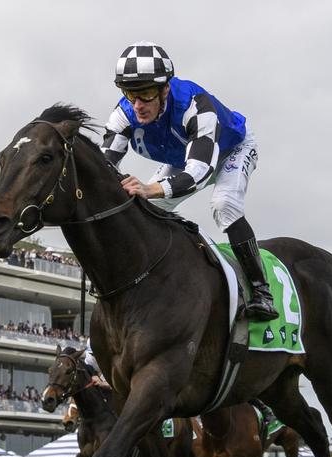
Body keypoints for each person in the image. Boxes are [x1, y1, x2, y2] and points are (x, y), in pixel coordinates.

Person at [101, 41, 278, 321]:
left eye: (146, 93)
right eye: (129, 93)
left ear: (165, 88)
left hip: (231, 148)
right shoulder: (122, 114)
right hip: (184, 156)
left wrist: (150, 188)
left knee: (224, 204)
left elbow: (200, 172)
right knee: (146, 213)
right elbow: (105, 167)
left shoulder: (196, 106)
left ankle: (261, 292)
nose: (137, 104)